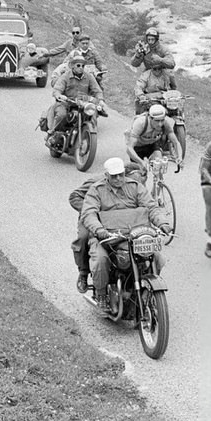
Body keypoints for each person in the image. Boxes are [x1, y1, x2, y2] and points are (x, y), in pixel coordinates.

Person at [80, 157, 167, 308]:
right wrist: (99, 229)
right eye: (114, 176)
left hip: (135, 235)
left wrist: (162, 223)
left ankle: (147, 291)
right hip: (107, 237)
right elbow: (88, 214)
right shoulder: (96, 190)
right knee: (100, 260)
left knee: (157, 257)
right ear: (106, 176)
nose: (118, 178)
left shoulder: (135, 186)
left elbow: (151, 207)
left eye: (121, 174)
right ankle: (101, 295)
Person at [68, 159, 144, 293]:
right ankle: (84, 272)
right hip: (93, 216)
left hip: (119, 222)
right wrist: (94, 214)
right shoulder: (96, 185)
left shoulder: (134, 187)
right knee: (84, 238)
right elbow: (74, 197)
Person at [43, 54, 103, 136]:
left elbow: (97, 90)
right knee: (61, 114)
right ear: (72, 66)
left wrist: (100, 100)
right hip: (66, 102)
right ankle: (53, 133)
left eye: (83, 65)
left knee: (92, 112)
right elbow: (57, 90)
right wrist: (60, 96)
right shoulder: (65, 76)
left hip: (82, 103)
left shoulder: (89, 76)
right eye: (78, 65)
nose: (81, 67)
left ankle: (91, 133)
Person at [124, 104, 183, 173]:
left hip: (152, 145)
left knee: (159, 165)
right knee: (139, 174)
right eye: (157, 121)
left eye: (162, 120)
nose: (160, 124)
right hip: (137, 147)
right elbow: (129, 148)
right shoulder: (140, 123)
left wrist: (179, 157)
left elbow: (175, 142)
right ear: (150, 118)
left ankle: (158, 180)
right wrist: (141, 162)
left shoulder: (165, 123)